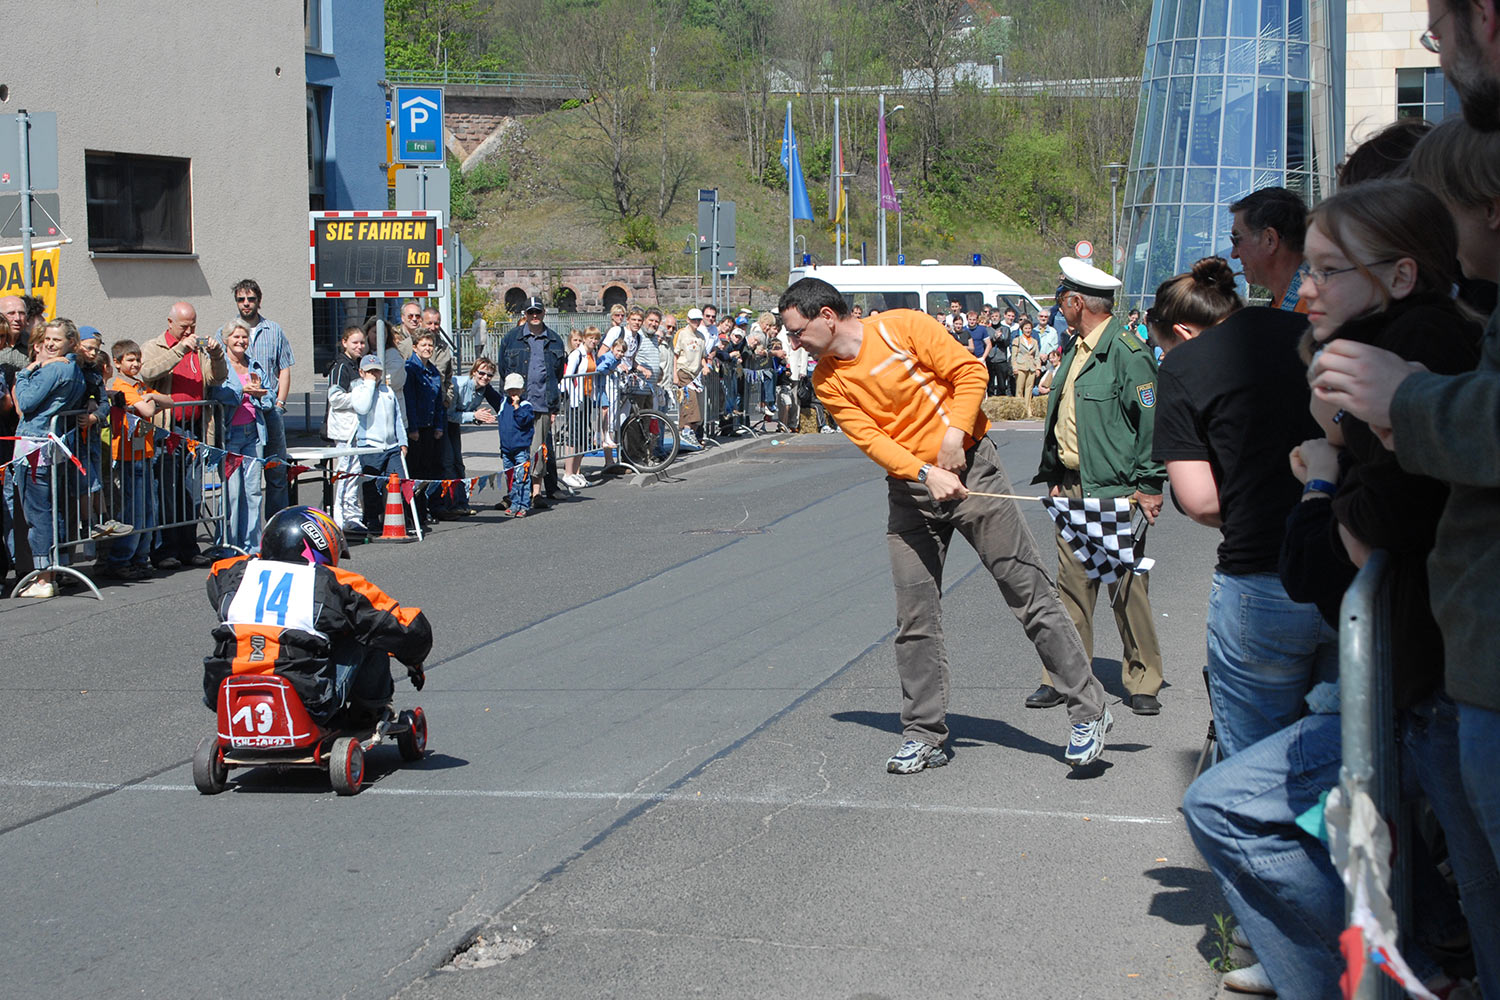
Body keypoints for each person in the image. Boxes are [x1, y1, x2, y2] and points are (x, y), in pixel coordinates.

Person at [1190, 178, 1498, 1000]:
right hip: (1424, 682)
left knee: (1237, 806)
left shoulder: (1406, 347)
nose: (1308, 289)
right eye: (1309, 268)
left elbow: (1361, 541)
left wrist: (1324, 480)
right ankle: (1416, 964)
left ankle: (1403, 971)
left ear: (1401, 275)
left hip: (1436, 686)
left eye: (1330, 270)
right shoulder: (1387, 348)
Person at [779, 277, 1113, 770]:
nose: (793, 343)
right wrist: (923, 473)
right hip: (912, 489)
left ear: (827, 316)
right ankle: (924, 733)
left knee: (1028, 593)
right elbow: (872, 440)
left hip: (972, 469)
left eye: (796, 331)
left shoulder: (901, 328)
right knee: (914, 616)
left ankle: (1089, 710)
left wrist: (954, 436)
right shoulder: (827, 380)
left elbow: (970, 372)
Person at [1148, 258, 1336, 755]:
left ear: (1182, 332)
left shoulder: (1185, 366)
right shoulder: (1316, 336)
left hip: (1261, 580)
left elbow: (1201, 500)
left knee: (1256, 763)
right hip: (1350, 570)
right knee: (1344, 757)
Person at [1031, 257, 1166, 716]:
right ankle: (1064, 676)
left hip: (1115, 490)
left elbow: (1151, 425)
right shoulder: (1075, 349)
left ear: (1076, 302)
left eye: (1061, 300)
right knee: (1071, 588)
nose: (1058, 308)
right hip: (1072, 487)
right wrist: (1055, 477)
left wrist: (1149, 485)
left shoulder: (1127, 352)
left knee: (1126, 589)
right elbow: (1063, 421)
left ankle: (1143, 679)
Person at [203, 506, 432, 728]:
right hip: (306, 699)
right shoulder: (332, 582)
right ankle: (370, 711)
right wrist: (413, 660)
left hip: (225, 692)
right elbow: (405, 627)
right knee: (367, 633)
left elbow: (218, 593)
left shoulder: (227, 572)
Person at [140, 301, 227, 570]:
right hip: (166, 430)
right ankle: (164, 549)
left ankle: (189, 548)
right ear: (170, 323)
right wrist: (179, 350)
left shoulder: (198, 351)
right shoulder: (154, 346)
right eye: (184, 326)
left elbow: (216, 378)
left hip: (194, 429)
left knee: (192, 491)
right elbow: (147, 372)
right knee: (167, 491)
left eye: (193, 325)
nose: (189, 331)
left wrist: (217, 355)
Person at [11, 319, 86, 598]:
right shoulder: (73, 368)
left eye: (57, 339)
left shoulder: (55, 368)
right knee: (52, 510)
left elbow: (26, 403)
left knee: (38, 513)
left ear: (71, 343)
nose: (51, 344)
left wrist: (25, 373)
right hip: (51, 444)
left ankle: (43, 577)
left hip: (35, 444)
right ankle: (55, 569)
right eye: (48, 339)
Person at [228, 279, 295, 517]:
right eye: (241, 299)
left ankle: (276, 523)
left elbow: (284, 368)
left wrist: (280, 404)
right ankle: (246, 528)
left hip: (269, 409)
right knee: (247, 477)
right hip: (242, 413)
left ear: (259, 300)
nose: (246, 303)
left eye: (251, 299)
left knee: (276, 470)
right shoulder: (228, 331)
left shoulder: (274, 330)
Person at [103, 339, 167, 581]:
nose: (136, 364)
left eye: (138, 359)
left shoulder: (140, 386)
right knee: (134, 511)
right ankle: (121, 559)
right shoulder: (121, 387)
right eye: (130, 360)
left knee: (149, 509)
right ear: (117, 363)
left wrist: (149, 396)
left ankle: (141, 557)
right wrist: (151, 401)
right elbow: (149, 410)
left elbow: (170, 400)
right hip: (129, 456)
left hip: (146, 452)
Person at [495, 297, 567, 507]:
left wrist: (553, 407)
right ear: (524, 314)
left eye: (538, 312)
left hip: (542, 404)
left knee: (537, 452)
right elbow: (503, 370)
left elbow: (557, 374)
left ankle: (536, 493)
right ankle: (514, 494)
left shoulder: (554, 340)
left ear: (544, 313)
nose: (534, 316)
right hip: (517, 404)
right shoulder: (511, 338)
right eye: (530, 312)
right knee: (514, 451)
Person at [211, 318, 271, 555]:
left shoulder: (254, 364)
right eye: (236, 336)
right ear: (226, 340)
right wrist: (241, 390)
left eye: (244, 336)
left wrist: (261, 395)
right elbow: (215, 392)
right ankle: (228, 546)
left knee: (253, 492)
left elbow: (268, 397)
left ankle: (252, 547)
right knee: (232, 493)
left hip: (254, 432)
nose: (241, 341)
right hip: (230, 435)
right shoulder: (220, 365)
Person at [1228, 187, 1311, 313]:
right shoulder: (1295, 304)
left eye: (1236, 240)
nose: (1233, 254)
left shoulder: (1317, 307)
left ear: (1270, 240)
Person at [352, 354, 408, 534]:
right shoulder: (358, 390)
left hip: (391, 446)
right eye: (370, 371)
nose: (374, 375)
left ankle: (397, 516)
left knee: (399, 482)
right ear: (362, 372)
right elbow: (362, 407)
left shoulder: (388, 391)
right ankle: (372, 518)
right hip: (370, 446)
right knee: (371, 486)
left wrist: (402, 441)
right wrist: (368, 384)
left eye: (376, 371)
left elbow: (397, 418)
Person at [324, 323, 368, 534]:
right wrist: (360, 398)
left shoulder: (357, 365)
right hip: (344, 430)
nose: (359, 346)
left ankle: (353, 516)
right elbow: (335, 398)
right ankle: (340, 519)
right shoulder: (340, 367)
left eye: (362, 342)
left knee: (355, 473)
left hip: (357, 429)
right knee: (344, 473)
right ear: (344, 343)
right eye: (355, 342)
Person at [402, 330, 445, 528]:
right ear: (415, 347)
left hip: (429, 427)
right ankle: (412, 514)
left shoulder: (433, 371)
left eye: (430, 345)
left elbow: (438, 401)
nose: (427, 348)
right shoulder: (410, 369)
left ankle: (422, 511)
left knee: (427, 471)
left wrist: (439, 426)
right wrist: (412, 428)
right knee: (414, 472)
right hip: (416, 428)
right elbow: (409, 400)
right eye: (423, 345)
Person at [496, 372, 536, 517]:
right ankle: (514, 503)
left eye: (516, 389)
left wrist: (517, 406)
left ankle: (523, 505)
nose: (513, 393)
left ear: (522, 390)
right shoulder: (503, 404)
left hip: (521, 448)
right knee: (511, 478)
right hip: (507, 449)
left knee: (522, 477)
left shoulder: (526, 406)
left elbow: (524, 421)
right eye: (510, 390)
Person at [1010, 317, 1041, 404]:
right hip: (1020, 367)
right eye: (1026, 328)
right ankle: (1019, 407)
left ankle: (1028, 407)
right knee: (1019, 389)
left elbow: (1037, 356)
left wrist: (1038, 368)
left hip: (1031, 367)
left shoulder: (1034, 341)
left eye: (1029, 328)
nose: (1028, 330)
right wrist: (1014, 367)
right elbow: (1014, 356)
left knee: (1029, 388)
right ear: (1022, 329)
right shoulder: (1017, 340)